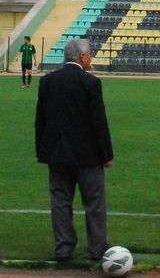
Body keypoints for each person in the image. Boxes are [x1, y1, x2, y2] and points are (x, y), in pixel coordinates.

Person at [35, 39, 114, 261]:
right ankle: (97, 249)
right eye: (89, 55)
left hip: (56, 154)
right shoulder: (90, 83)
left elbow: (40, 119)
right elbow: (99, 122)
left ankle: (63, 248)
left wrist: (42, 150)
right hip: (87, 155)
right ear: (82, 57)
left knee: (60, 202)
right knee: (94, 203)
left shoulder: (47, 81)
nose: (91, 58)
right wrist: (107, 154)